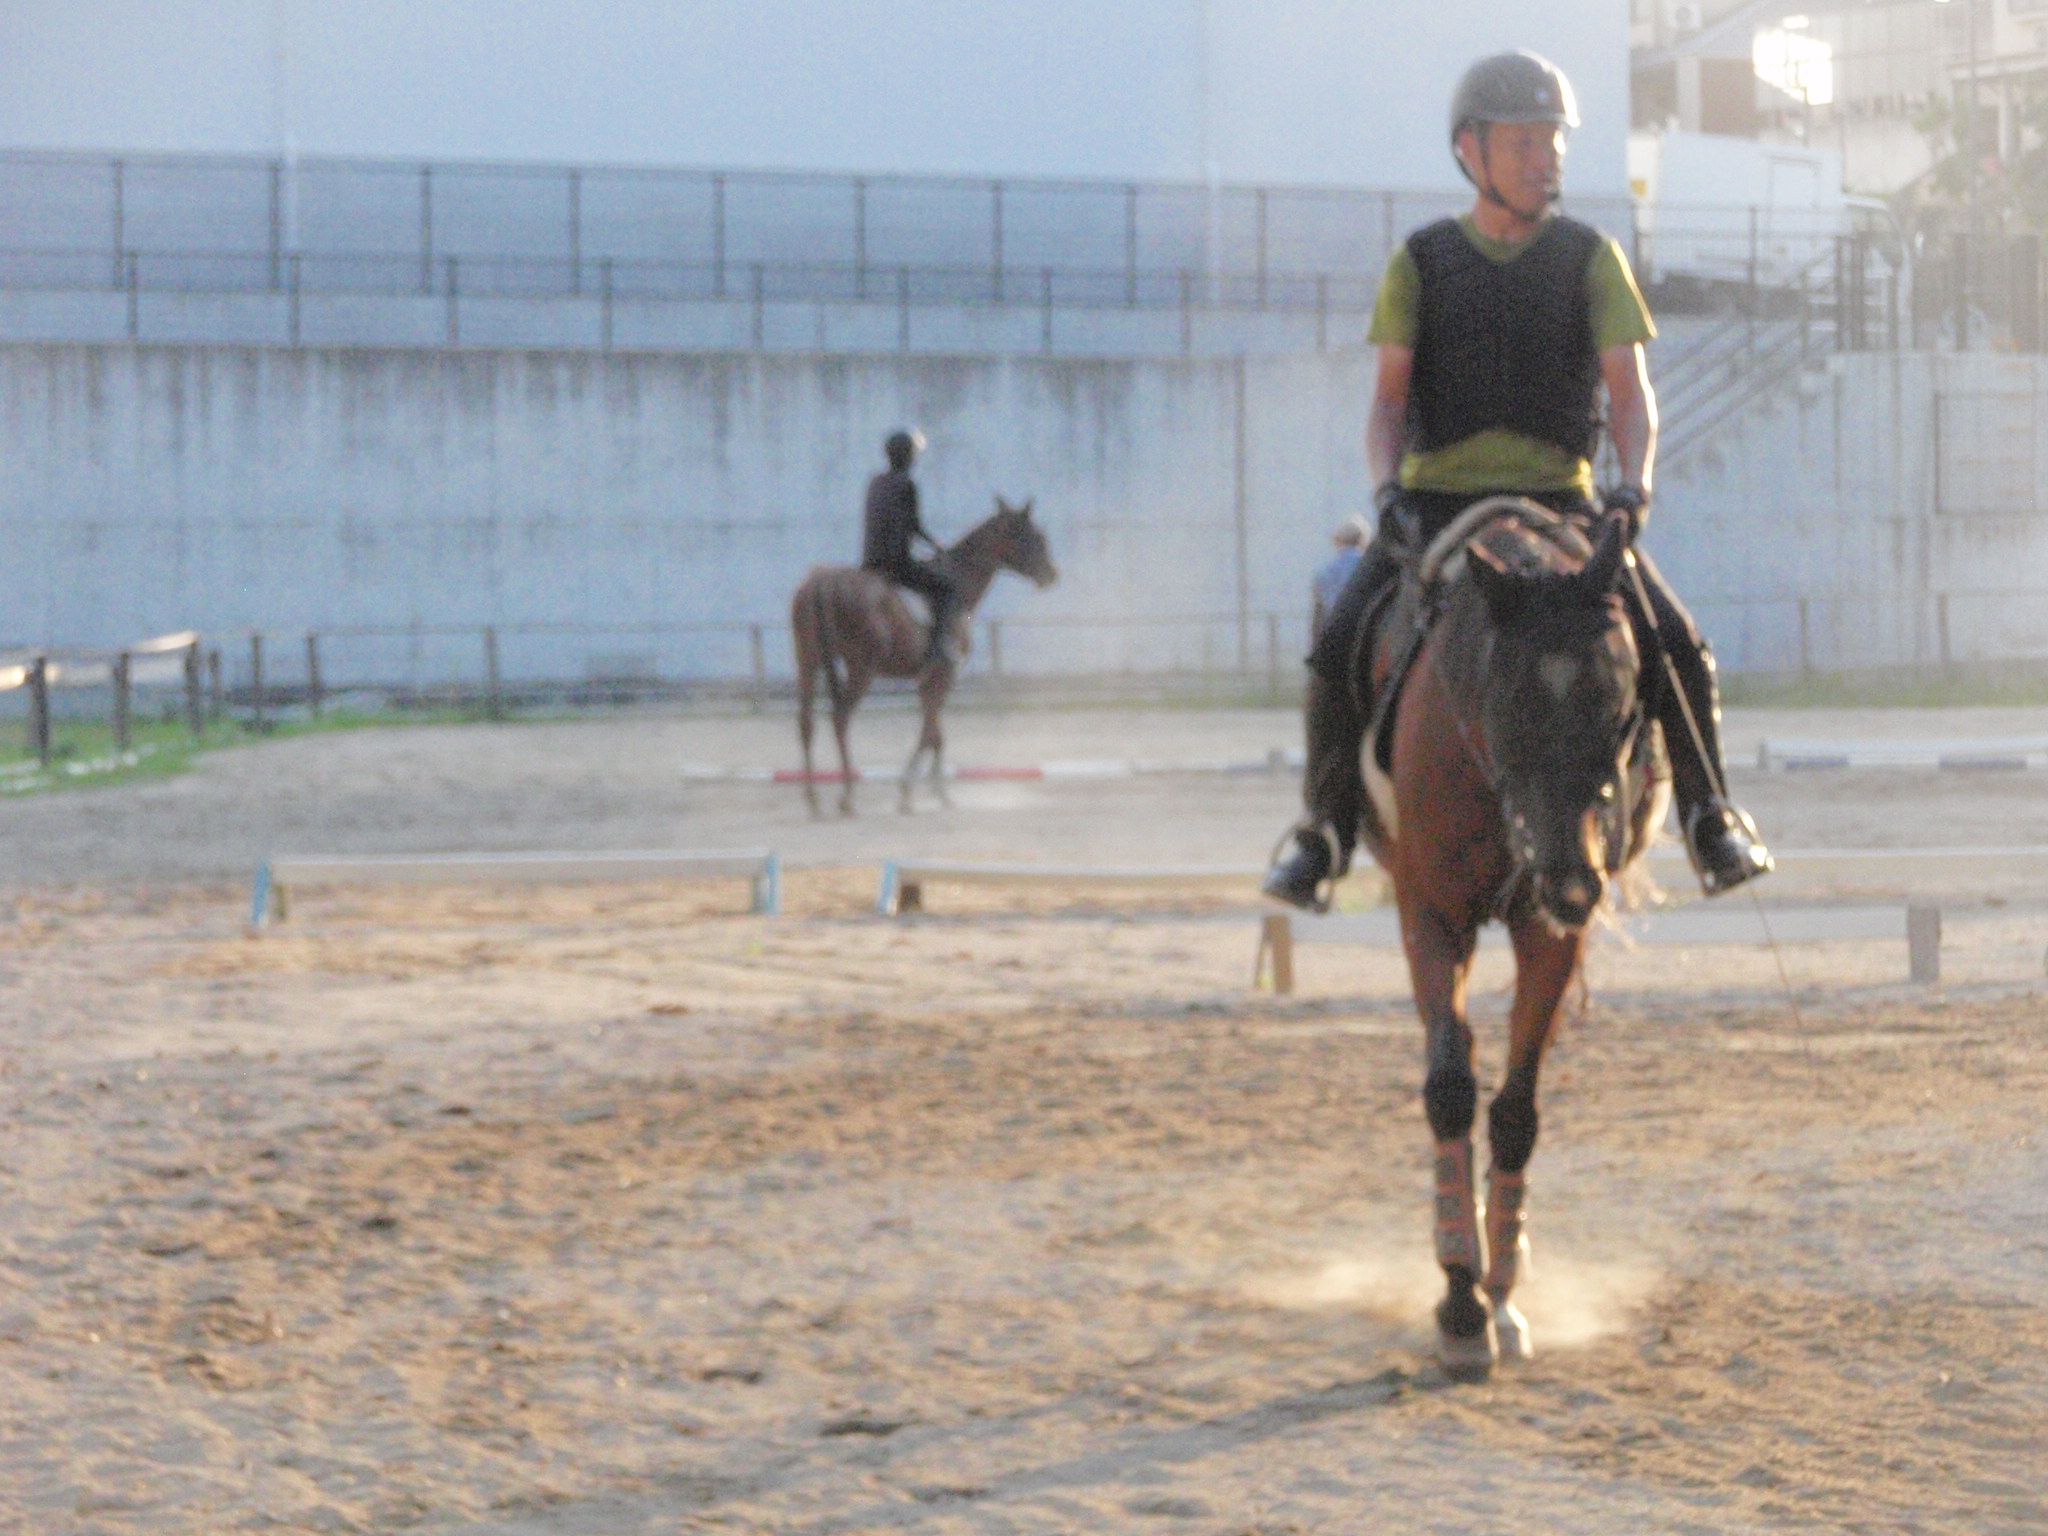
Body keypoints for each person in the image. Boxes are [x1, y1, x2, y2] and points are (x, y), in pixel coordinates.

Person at [1262, 49, 1772, 911]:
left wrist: (1633, 489)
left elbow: (1630, 398)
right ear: (1472, 151)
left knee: (1677, 643)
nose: (1547, 160)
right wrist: (1387, 496)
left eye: (1554, 142)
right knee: (1337, 647)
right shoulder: (1420, 262)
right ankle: (1324, 832)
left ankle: (1709, 819)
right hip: (1434, 509)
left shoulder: (1591, 258)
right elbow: (1386, 405)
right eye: (1525, 143)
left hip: (1561, 502)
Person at [860, 429, 958, 669]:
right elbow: (914, 526)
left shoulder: (875, 482)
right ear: (908, 457)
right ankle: (937, 649)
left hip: (870, 563)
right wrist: (936, 545)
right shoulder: (907, 484)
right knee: (946, 589)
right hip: (896, 565)